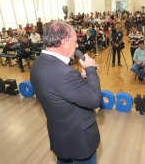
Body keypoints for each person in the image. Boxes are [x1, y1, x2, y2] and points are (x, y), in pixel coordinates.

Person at [30, 21, 101, 164]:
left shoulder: (37, 65)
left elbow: (58, 89)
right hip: (80, 140)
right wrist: (90, 69)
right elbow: (94, 99)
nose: (77, 46)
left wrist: (80, 77)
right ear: (64, 43)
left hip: (60, 136)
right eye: (75, 42)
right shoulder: (65, 73)